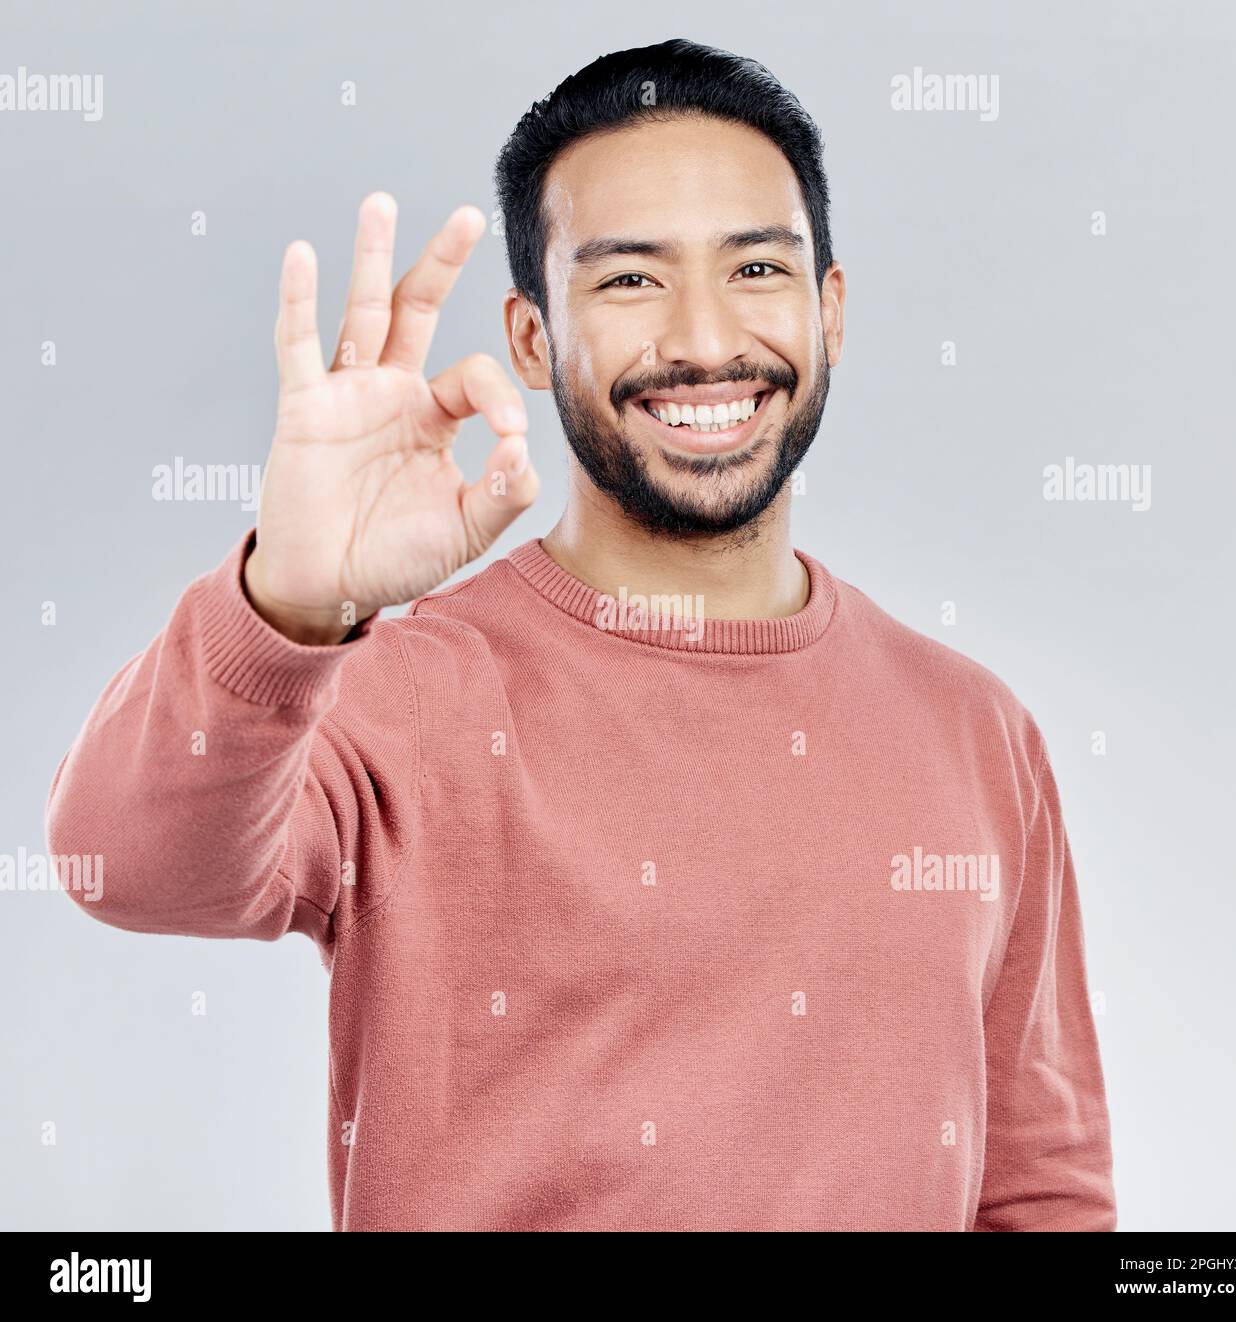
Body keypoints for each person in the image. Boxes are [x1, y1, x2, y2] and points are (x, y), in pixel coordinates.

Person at [46, 38, 1116, 1231]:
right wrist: (288, 601)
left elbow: (1042, 1188)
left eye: (756, 266)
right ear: (531, 339)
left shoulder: (973, 728)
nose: (706, 340)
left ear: (831, 310)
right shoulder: (395, 693)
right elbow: (123, 865)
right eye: (628, 280)